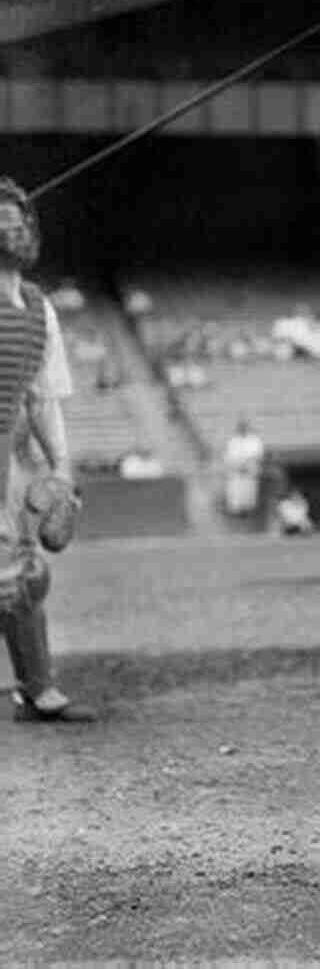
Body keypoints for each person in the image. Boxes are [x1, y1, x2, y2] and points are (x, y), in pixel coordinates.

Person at [0, 179, 95, 723]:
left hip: (7, 454)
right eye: (1, 224)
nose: (11, 232)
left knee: (26, 574)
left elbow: (40, 399)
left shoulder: (38, 308)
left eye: (18, 222)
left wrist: (61, 466)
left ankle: (37, 690)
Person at [222, 419, 265, 516]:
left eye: (244, 427)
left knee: (249, 490)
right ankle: (236, 510)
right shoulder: (233, 441)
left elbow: (257, 454)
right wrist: (237, 464)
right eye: (240, 427)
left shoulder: (254, 440)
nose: (242, 429)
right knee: (236, 490)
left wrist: (246, 463)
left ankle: (249, 509)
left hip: (249, 469)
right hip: (236, 470)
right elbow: (228, 456)